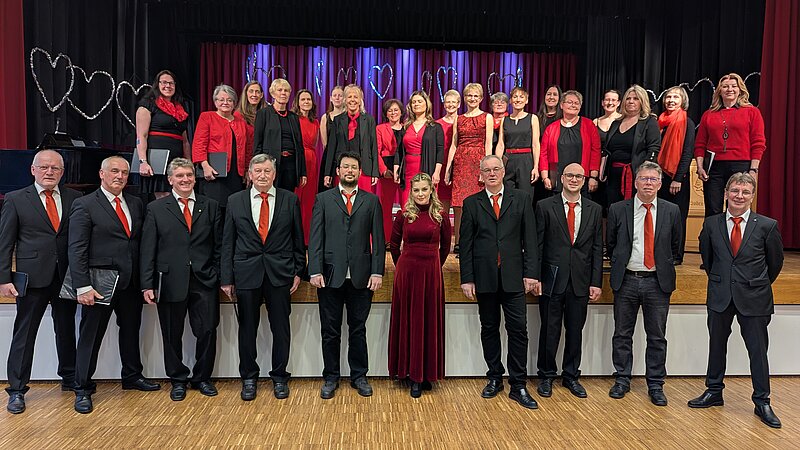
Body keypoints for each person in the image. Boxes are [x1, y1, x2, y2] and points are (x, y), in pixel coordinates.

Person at [689, 172, 784, 429]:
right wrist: (723, 281)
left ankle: (762, 401)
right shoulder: (711, 224)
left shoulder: (767, 226)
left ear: (752, 196)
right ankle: (713, 391)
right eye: (734, 191)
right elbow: (708, 259)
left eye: (745, 192)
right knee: (716, 346)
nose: (739, 196)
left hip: (754, 298)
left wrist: (755, 283)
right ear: (725, 193)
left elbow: (774, 263)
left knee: (758, 351)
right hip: (720, 295)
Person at [69, 156, 160, 414]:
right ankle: (82, 387)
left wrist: (145, 282)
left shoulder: (136, 202)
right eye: (114, 171)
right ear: (102, 173)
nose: (119, 176)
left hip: (130, 282)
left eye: (124, 172)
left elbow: (139, 243)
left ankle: (132, 376)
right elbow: (76, 249)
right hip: (99, 283)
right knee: (91, 336)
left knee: (131, 331)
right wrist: (82, 286)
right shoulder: (85, 204)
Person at [0, 150, 79, 414]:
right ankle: (17, 389)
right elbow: (4, 243)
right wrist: (3, 279)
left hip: (65, 277)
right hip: (32, 278)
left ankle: (70, 378)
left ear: (62, 172)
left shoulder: (74, 198)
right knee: (24, 334)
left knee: (66, 329)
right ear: (33, 170)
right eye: (44, 167)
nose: (49, 172)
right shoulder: (15, 199)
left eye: (55, 168)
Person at [221, 154, 305, 401]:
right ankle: (249, 377)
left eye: (267, 171)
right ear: (249, 174)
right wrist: (226, 278)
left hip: (280, 274)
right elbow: (228, 242)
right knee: (247, 329)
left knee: (281, 329)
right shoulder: (235, 201)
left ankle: (280, 377)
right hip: (246, 274)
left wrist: (298, 271)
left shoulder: (290, 200)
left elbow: (298, 239)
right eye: (257, 171)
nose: (262, 175)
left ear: (274, 174)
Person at [459, 155, 540, 410]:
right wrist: (467, 278)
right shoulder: (471, 203)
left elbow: (531, 239)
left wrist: (531, 273)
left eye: (496, 169)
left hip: (514, 278)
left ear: (503, 172)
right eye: (487, 170)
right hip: (484, 278)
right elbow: (466, 245)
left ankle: (518, 384)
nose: (492, 173)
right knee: (489, 329)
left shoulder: (522, 199)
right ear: (481, 175)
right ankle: (494, 377)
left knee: (518, 331)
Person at [139, 158, 223, 402]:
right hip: (169, 280)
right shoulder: (156, 208)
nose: (185, 179)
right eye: (180, 176)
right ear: (170, 180)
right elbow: (148, 249)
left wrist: (217, 274)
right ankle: (177, 379)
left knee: (207, 330)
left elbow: (219, 245)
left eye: (189, 175)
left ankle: (202, 378)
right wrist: (147, 284)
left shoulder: (211, 206)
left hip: (204, 279)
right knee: (171, 333)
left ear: (195, 178)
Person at [308, 152, 385, 400]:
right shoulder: (323, 199)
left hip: (362, 277)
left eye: (354, 167)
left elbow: (379, 240)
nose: (349, 170)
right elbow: (316, 237)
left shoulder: (371, 201)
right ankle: (331, 377)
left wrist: (377, 271)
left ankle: (359, 376)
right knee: (330, 331)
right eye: (345, 167)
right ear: (338, 171)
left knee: (358, 329)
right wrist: (315, 269)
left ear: (360, 172)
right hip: (330, 276)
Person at [606, 161, 681, 407]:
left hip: (657, 282)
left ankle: (656, 385)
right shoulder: (618, 209)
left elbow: (675, 247)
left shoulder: (672, 211)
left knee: (657, 336)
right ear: (635, 182)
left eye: (653, 179)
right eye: (644, 178)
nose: (648, 183)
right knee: (622, 333)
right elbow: (611, 244)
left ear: (660, 184)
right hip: (627, 279)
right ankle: (622, 379)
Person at [534, 163, 603, 399]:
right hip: (551, 280)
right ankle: (546, 376)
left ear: (584, 181)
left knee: (575, 331)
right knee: (549, 330)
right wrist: (536, 277)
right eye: (570, 175)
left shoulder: (595, 210)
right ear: (562, 178)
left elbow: (597, 248)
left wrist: (596, 282)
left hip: (580, 281)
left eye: (579, 176)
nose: (574, 179)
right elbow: (537, 246)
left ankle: (571, 376)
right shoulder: (544, 206)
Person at [388, 173, 451, 397]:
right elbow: (394, 245)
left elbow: (446, 248)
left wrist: (433, 265)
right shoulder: (404, 215)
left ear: (431, 190)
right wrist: (402, 266)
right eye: (416, 190)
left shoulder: (440, 215)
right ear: (411, 193)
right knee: (410, 321)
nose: (421, 194)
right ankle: (411, 374)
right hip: (407, 273)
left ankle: (426, 373)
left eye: (424, 189)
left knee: (428, 321)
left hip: (431, 274)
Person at [695, 73, 766, 217]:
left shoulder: (752, 112)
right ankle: (712, 233)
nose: (730, 89)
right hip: (714, 167)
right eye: (725, 86)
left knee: (736, 208)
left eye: (734, 86)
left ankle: (736, 233)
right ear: (719, 91)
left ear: (740, 90)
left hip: (741, 165)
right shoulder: (708, 114)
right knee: (712, 209)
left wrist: (753, 169)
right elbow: (700, 144)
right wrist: (700, 167)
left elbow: (758, 143)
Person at [444, 83, 493, 255]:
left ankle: (476, 241)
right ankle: (459, 241)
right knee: (458, 204)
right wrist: (448, 169)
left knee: (478, 204)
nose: (472, 99)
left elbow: (488, 145)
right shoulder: (459, 118)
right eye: (469, 96)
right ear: (464, 98)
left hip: (478, 161)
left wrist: (485, 169)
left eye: (475, 96)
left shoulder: (487, 117)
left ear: (481, 98)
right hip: (461, 162)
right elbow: (453, 145)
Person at [655, 86, 696, 264]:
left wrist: (678, 178)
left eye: (675, 97)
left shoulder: (687, 122)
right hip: (658, 177)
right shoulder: (659, 121)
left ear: (683, 101)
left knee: (677, 218)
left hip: (677, 178)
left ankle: (676, 255)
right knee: (660, 217)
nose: (671, 100)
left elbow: (687, 152)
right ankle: (660, 252)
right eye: (668, 97)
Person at [135, 70, 191, 198]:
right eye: (164, 82)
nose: (168, 86)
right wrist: (143, 161)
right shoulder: (148, 105)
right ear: (157, 84)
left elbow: (185, 141)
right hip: (157, 159)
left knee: (178, 196)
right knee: (163, 197)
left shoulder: (180, 108)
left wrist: (188, 163)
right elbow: (141, 136)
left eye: (171, 83)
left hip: (176, 159)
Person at [193, 84, 248, 210]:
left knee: (234, 208)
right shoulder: (207, 117)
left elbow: (248, 147)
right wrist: (205, 166)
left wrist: (247, 170)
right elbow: (199, 143)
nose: (225, 103)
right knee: (215, 208)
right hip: (213, 172)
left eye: (229, 100)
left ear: (234, 103)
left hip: (236, 174)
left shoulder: (241, 122)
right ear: (215, 102)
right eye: (221, 100)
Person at [604, 85, 661, 205]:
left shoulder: (649, 122)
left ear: (642, 101)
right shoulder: (616, 123)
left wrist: (644, 174)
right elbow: (607, 149)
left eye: (635, 98)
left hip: (635, 175)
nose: (631, 101)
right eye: (628, 98)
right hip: (613, 175)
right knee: (613, 208)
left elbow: (653, 148)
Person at [539, 90, 601, 195]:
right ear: (561, 105)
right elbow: (543, 153)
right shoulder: (551, 128)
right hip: (557, 179)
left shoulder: (589, 125)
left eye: (576, 103)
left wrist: (593, 177)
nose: (573, 105)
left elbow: (596, 151)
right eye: (569, 102)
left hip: (582, 179)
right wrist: (545, 177)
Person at [253, 79, 307, 191]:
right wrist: (258, 168)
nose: (283, 93)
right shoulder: (263, 114)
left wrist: (302, 172)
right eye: (280, 90)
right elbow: (258, 144)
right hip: (271, 164)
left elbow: (300, 146)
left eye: (286, 91)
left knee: (288, 197)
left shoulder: (293, 117)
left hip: (291, 165)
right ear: (273, 93)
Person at [323, 84, 379, 192]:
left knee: (363, 200)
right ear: (345, 100)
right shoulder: (338, 120)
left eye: (355, 97)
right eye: (349, 97)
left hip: (364, 170)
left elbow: (374, 147)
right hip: (342, 169)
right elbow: (331, 148)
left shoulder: (369, 120)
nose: (352, 100)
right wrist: (327, 173)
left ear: (360, 100)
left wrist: (375, 172)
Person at [394, 90, 444, 204]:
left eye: (419, 101)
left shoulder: (435, 127)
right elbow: (399, 151)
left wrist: (437, 172)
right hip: (408, 170)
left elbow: (440, 151)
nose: (416, 104)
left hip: (428, 168)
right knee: (407, 202)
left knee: (426, 202)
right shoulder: (405, 127)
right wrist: (396, 169)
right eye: (414, 102)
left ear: (427, 104)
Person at [496, 87, 540, 197]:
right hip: (508, 160)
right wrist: (498, 165)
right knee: (507, 195)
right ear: (510, 101)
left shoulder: (532, 118)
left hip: (525, 160)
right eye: (515, 97)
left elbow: (535, 144)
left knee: (525, 195)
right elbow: (501, 144)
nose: (518, 100)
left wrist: (536, 167)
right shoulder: (504, 120)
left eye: (521, 97)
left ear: (526, 100)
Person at [291, 88, 320, 245]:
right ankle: (293, 236)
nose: (306, 102)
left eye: (308, 99)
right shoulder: (293, 118)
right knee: (296, 197)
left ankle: (306, 238)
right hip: (297, 159)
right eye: (303, 99)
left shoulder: (315, 122)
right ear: (297, 102)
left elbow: (315, 143)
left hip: (312, 161)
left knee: (309, 200)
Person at [375, 98, 404, 245]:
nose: (393, 113)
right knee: (386, 207)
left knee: (406, 206)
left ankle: (406, 239)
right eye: (390, 110)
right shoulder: (380, 128)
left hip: (404, 170)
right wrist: (383, 170)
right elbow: (377, 151)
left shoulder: (407, 127)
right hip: (387, 171)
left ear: (401, 112)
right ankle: (387, 239)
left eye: (396, 110)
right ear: (386, 114)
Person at [435, 89, 460, 216]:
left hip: (460, 166)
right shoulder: (437, 124)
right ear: (444, 104)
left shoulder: (463, 121)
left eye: (453, 102)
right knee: (442, 204)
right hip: (443, 166)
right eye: (448, 102)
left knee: (459, 203)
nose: (451, 105)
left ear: (459, 104)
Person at [317, 86, 345, 192]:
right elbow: (325, 143)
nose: (337, 98)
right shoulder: (325, 117)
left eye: (340, 95)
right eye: (335, 95)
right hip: (329, 156)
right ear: (330, 98)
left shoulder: (347, 117)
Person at [236, 80, 267, 164]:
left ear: (261, 95)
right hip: (245, 159)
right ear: (246, 94)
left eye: (257, 92)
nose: (254, 94)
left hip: (263, 159)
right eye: (251, 91)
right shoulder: (238, 116)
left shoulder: (267, 114)